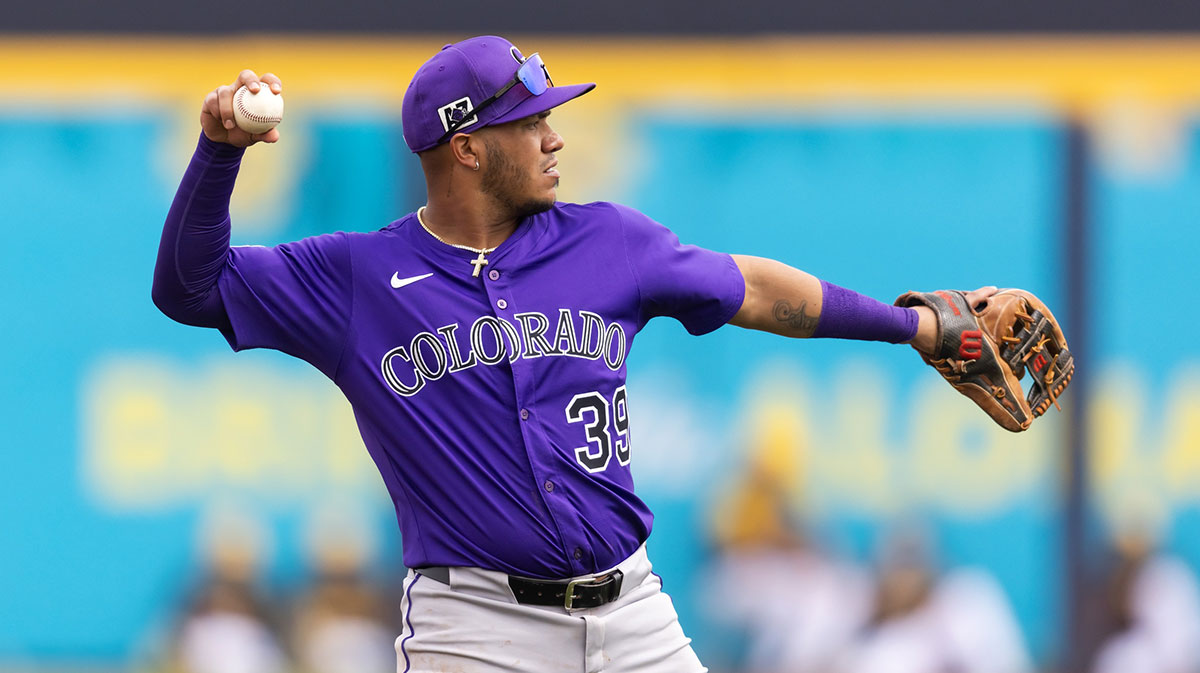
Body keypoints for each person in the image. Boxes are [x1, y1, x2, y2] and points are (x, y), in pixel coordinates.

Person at [153, 35, 996, 672]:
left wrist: (918, 328)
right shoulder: (356, 277)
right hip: (475, 629)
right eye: (531, 121)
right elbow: (189, 288)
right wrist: (220, 150)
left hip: (632, 612)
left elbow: (758, 289)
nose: (554, 137)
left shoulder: (609, 241)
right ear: (468, 148)